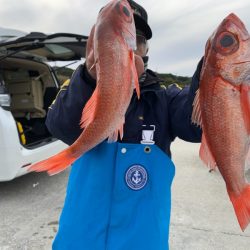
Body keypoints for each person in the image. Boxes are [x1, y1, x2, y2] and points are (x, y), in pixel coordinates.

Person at [46, 0, 202, 249]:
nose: (129, 45)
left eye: (137, 39)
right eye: (110, 34)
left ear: (145, 48)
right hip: (79, 240)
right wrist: (89, 77)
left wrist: (214, 73)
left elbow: (197, 125)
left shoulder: (164, 99)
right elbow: (60, 126)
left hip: (142, 241)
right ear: (95, 43)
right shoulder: (81, 88)